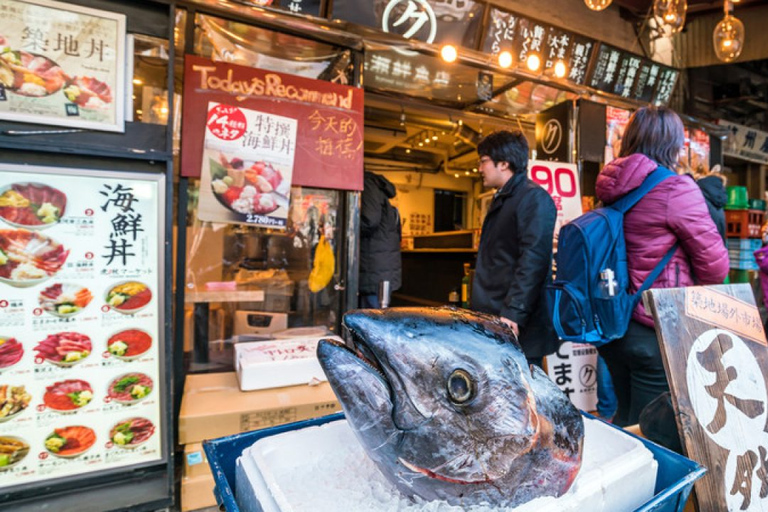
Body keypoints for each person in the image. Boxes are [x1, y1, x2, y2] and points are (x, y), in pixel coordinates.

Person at [595, 106, 729, 427]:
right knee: (652, 433)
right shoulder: (676, 189)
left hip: (612, 325)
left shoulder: (609, 186)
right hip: (654, 329)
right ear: (671, 144)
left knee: (625, 422)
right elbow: (716, 267)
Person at [470, 130, 558, 367]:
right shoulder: (505, 197)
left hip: (515, 323)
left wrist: (513, 313)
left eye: (483, 161)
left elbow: (533, 260)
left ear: (504, 163)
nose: (479, 168)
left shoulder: (533, 198)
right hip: (494, 314)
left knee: (522, 394)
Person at [359, 171, 401, 308]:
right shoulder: (375, 188)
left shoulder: (368, 184)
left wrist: (346, 228)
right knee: (374, 315)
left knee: (371, 320)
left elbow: (369, 221)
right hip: (379, 266)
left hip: (374, 267)